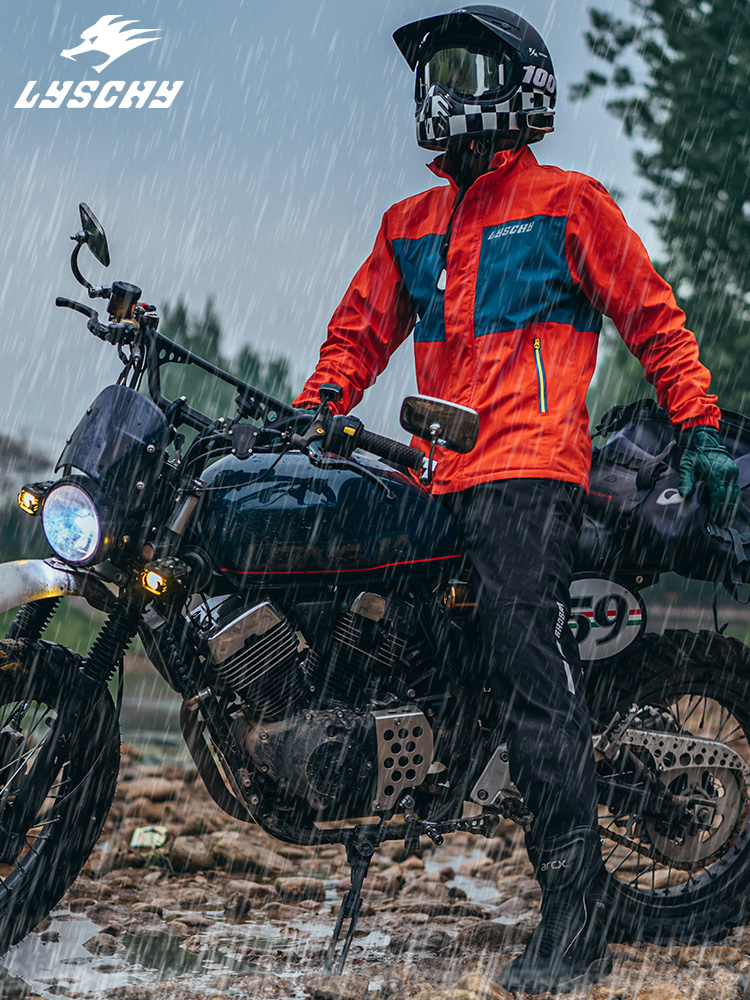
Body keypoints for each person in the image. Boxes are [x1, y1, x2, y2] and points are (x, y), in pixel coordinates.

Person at [293, 6, 740, 992]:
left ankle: (576, 929)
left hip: (529, 472)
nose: (437, 89)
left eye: (459, 69)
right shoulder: (409, 225)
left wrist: (699, 425)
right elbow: (358, 333)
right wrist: (319, 402)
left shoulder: (569, 205)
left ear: (514, 88)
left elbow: (652, 313)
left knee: (525, 677)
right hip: (437, 473)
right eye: (434, 72)